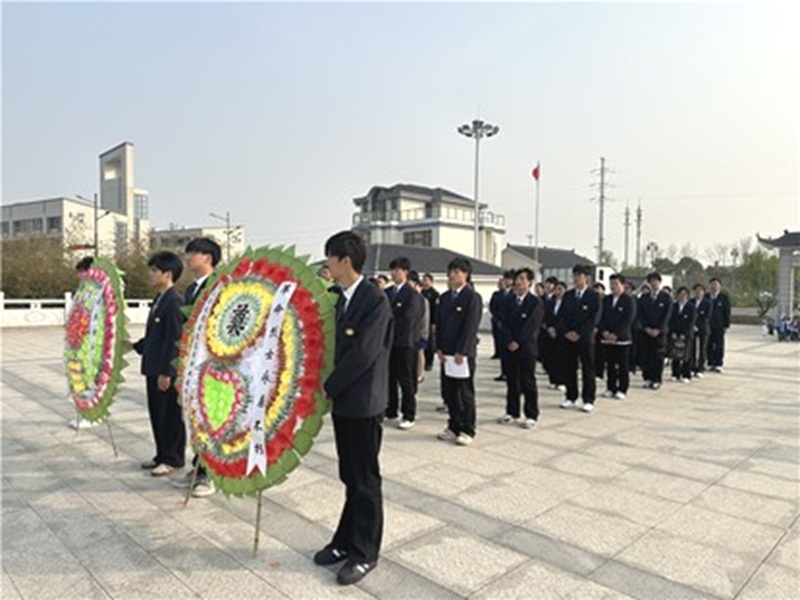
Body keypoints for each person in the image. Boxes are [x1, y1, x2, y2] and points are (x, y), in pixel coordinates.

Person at [314, 231, 393, 586]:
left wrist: (329, 386)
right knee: (351, 477)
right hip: (346, 403)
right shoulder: (342, 298)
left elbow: (363, 354)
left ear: (345, 260)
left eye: (329, 258)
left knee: (365, 480)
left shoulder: (373, 299)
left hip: (363, 403)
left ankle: (365, 553)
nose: (326, 264)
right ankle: (345, 541)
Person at [172, 237, 222, 498]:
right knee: (195, 417)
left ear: (208, 257)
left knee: (211, 419)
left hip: (213, 365)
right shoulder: (192, 289)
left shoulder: (220, 286)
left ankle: (210, 474)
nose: (188, 257)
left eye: (193, 253)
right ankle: (198, 466)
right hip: (194, 364)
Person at [132, 251, 186, 476]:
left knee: (169, 415)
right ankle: (162, 454)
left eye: (155, 271)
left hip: (165, 371)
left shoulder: (175, 302)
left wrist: (168, 372)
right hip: (153, 367)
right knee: (157, 414)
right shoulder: (160, 299)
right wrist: (134, 346)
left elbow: (174, 340)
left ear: (168, 274)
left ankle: (173, 458)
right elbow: (155, 336)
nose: (151, 274)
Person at [436, 257, 482, 446]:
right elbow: (439, 325)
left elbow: (470, 327)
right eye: (451, 272)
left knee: (464, 393)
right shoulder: (445, 297)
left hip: (462, 354)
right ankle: (453, 425)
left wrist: (462, 351)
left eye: (457, 272)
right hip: (446, 353)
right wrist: (439, 348)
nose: (452, 275)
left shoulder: (472, 298)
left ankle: (467, 429)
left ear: (466, 275)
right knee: (450, 392)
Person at [497, 268, 544, 429]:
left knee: (528, 382)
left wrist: (517, 341)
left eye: (523, 279)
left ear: (529, 283)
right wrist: (509, 340)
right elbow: (502, 323)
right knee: (512, 382)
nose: (518, 282)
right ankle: (512, 411)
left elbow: (531, 326)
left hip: (526, 348)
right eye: (517, 279)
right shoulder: (508, 301)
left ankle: (531, 415)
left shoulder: (535, 302)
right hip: (509, 348)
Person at [384, 257, 424, 430]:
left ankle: (408, 414)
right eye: (392, 270)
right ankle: (391, 409)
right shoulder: (387, 293)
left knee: (406, 381)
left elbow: (408, 320)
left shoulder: (412, 295)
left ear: (405, 272)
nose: (393, 273)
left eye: (397, 270)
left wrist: (388, 327)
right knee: (389, 378)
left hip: (405, 343)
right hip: (389, 344)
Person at [560, 265, 602, 413]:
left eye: (579, 275)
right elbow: (562, 316)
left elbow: (594, 318)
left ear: (587, 278)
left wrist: (579, 333)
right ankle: (571, 396)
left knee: (587, 369)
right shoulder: (568, 295)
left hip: (585, 338)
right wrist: (566, 332)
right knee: (569, 368)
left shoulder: (594, 296)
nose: (576, 278)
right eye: (575, 275)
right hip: (568, 338)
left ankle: (588, 399)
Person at [68, 256, 103, 430]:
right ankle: (82, 413)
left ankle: (93, 415)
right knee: (78, 379)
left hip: (92, 345)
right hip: (78, 344)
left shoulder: (99, 293)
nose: (79, 276)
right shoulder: (81, 294)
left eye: (82, 272)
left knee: (91, 380)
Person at [599, 274, 636, 400]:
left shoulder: (628, 300)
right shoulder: (606, 300)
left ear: (623, 285)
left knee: (622, 365)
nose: (613, 286)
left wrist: (616, 334)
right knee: (610, 364)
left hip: (622, 339)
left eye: (616, 283)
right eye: (611, 283)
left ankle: (622, 388)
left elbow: (628, 319)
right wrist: (604, 332)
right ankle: (611, 387)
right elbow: (600, 317)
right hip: (607, 338)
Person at [638, 273, 673, 390]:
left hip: (660, 333)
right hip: (646, 332)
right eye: (651, 281)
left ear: (660, 282)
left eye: (656, 281)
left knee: (657, 356)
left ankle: (656, 379)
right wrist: (646, 328)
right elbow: (640, 314)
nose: (654, 284)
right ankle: (647, 378)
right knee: (646, 355)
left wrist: (659, 329)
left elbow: (667, 316)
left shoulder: (666, 298)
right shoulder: (643, 297)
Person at [489, 271, 514, 380]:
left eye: (508, 279)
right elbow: (492, 307)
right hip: (499, 323)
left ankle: (511, 373)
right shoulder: (497, 294)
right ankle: (504, 373)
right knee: (503, 350)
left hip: (510, 326)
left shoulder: (514, 294)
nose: (506, 281)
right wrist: (498, 319)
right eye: (505, 279)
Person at [670, 286, 696, 382]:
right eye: (680, 294)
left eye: (684, 294)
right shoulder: (673, 306)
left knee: (686, 355)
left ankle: (686, 375)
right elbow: (670, 320)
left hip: (686, 335)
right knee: (675, 354)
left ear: (688, 296)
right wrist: (672, 332)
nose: (682, 296)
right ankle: (675, 373)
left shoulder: (691, 307)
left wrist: (684, 333)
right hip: (674, 334)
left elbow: (691, 322)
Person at [408, 271, 430, 385]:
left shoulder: (422, 300)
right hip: (410, 334)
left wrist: (424, 333)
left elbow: (425, 318)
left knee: (420, 352)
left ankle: (420, 373)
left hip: (420, 331)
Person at [707, 277, 732, 372]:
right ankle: (710, 362)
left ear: (720, 286)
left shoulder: (724, 298)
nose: (714, 286)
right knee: (708, 344)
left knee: (719, 345)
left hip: (719, 326)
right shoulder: (706, 297)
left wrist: (726, 325)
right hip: (708, 326)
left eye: (716, 284)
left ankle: (718, 363)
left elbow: (727, 312)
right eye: (712, 284)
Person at [420, 273, 440, 372]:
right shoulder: (420, 293)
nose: (424, 282)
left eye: (426, 280)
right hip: (422, 321)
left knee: (430, 343)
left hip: (430, 321)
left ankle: (429, 362)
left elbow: (436, 310)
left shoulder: (434, 294)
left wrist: (434, 323)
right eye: (423, 280)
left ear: (431, 282)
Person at [691, 283, 711, 378]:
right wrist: (692, 325)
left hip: (703, 328)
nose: (698, 292)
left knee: (702, 348)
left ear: (703, 292)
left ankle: (701, 368)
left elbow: (707, 316)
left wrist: (697, 325)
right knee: (692, 348)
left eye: (700, 290)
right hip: (692, 328)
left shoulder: (708, 303)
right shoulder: (691, 302)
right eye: (696, 290)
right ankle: (692, 367)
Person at [593, 281, 607, 381]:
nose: (597, 291)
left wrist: (601, 328)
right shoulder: (592, 299)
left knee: (600, 353)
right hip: (592, 329)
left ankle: (600, 373)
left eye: (599, 289)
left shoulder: (606, 300)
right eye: (595, 289)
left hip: (602, 330)